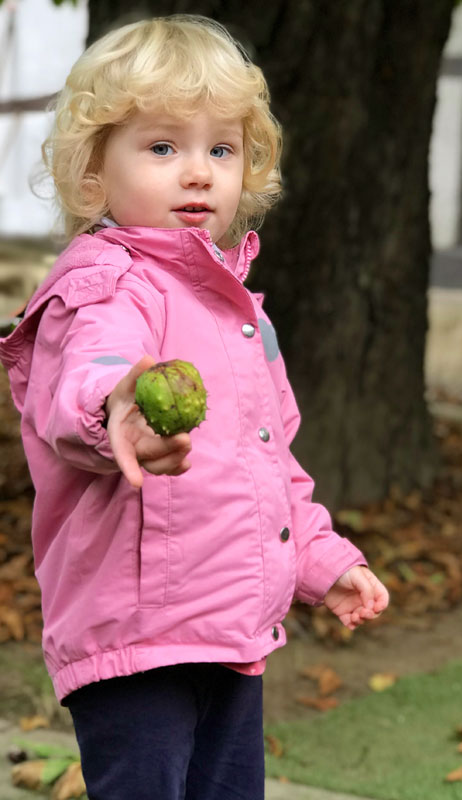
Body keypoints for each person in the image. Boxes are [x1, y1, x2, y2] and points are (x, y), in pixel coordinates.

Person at [0, 15, 389, 800]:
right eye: (163, 147)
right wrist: (116, 408)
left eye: (221, 149)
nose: (198, 172)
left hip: (230, 629)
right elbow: (92, 375)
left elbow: (269, 460)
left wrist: (321, 561)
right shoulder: (106, 282)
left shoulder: (235, 310)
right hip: (138, 637)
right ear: (92, 175)